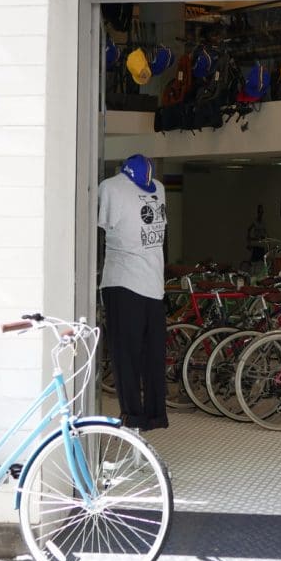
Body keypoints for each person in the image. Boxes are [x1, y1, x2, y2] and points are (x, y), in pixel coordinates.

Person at [98, 154, 169, 431]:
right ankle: (132, 418)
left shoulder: (159, 188)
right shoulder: (110, 188)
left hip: (153, 284)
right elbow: (99, 234)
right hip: (122, 283)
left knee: (154, 356)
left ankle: (154, 416)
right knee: (125, 356)